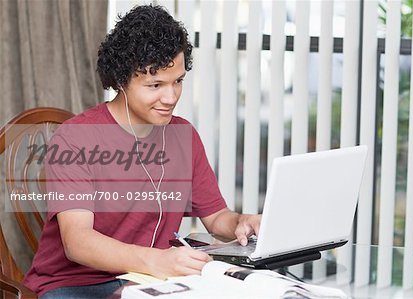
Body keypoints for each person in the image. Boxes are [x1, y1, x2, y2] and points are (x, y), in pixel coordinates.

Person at [23, 5, 261, 298]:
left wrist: (240, 222)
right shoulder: (75, 139)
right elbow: (78, 242)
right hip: (76, 283)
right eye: (155, 84)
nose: (170, 97)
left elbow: (216, 219)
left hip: (149, 280)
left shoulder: (183, 137)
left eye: (178, 81)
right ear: (121, 80)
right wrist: (158, 260)